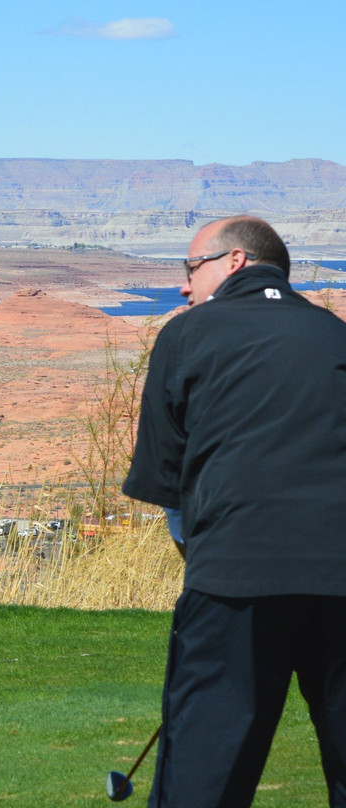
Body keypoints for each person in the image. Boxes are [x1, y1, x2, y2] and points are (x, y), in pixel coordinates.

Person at [122, 215, 346, 807]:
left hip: (232, 584)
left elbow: (169, 484)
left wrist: (205, 559)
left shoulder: (186, 335)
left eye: (191, 268)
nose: (183, 285)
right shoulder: (336, 335)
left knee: (204, 776)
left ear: (235, 261)